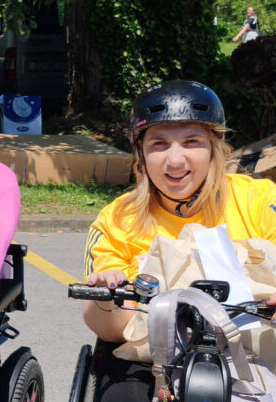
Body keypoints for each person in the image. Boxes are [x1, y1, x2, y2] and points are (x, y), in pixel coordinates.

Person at [82, 80, 276, 402]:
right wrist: (107, 298)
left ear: (215, 147)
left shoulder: (260, 201)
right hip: (148, 354)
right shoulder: (116, 219)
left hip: (253, 348)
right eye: (159, 144)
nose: (175, 161)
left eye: (191, 141)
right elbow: (109, 327)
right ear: (140, 153)